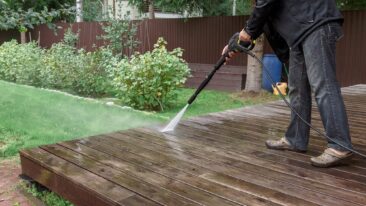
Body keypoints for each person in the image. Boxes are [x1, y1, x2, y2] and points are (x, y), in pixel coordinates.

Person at [223, 0, 353, 168]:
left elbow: (265, 5)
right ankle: (296, 139)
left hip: (316, 23)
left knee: (323, 86)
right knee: (297, 89)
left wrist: (248, 31)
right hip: (299, 34)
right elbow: (264, 19)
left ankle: (340, 145)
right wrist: (236, 43)